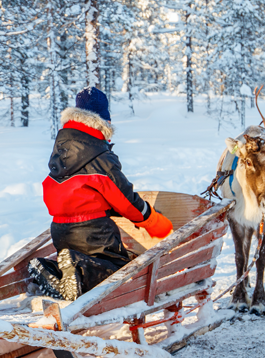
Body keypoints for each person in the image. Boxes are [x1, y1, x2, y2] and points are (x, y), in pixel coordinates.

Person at [30, 87, 173, 301]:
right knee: (119, 272)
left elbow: (75, 193)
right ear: (104, 121)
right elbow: (126, 199)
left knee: (83, 267)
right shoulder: (100, 155)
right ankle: (78, 268)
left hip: (60, 230)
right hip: (94, 233)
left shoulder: (61, 149)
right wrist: (151, 220)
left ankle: (49, 267)